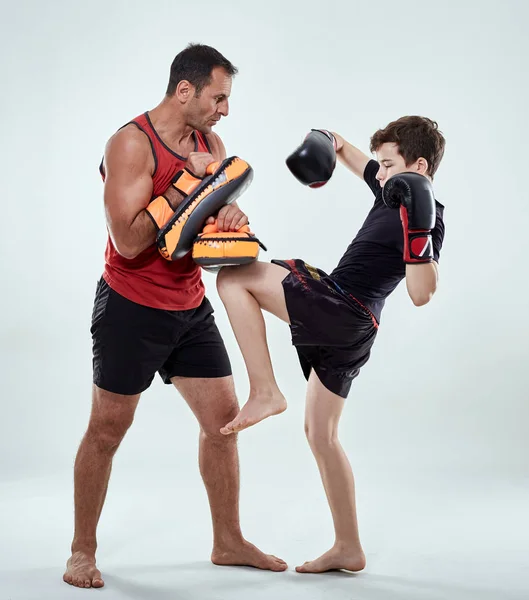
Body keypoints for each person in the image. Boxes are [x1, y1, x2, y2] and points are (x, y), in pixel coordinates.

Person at [63, 43, 287, 590]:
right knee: (107, 431)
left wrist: (230, 215)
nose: (224, 110)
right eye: (218, 98)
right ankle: (81, 551)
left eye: (227, 100)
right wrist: (190, 181)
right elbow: (130, 238)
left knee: (223, 425)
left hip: (189, 308)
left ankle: (227, 540)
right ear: (184, 90)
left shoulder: (211, 143)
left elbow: (203, 233)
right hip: (130, 310)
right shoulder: (131, 144)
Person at [215, 116, 446, 573]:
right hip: (358, 331)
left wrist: (419, 227)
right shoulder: (389, 187)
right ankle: (348, 546)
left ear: (418, 167)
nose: (378, 174)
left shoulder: (425, 213)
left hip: (344, 307)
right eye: (379, 165)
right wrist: (326, 139)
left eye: (388, 165)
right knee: (322, 435)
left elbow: (422, 293)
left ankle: (265, 390)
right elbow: (343, 149)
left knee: (234, 276)